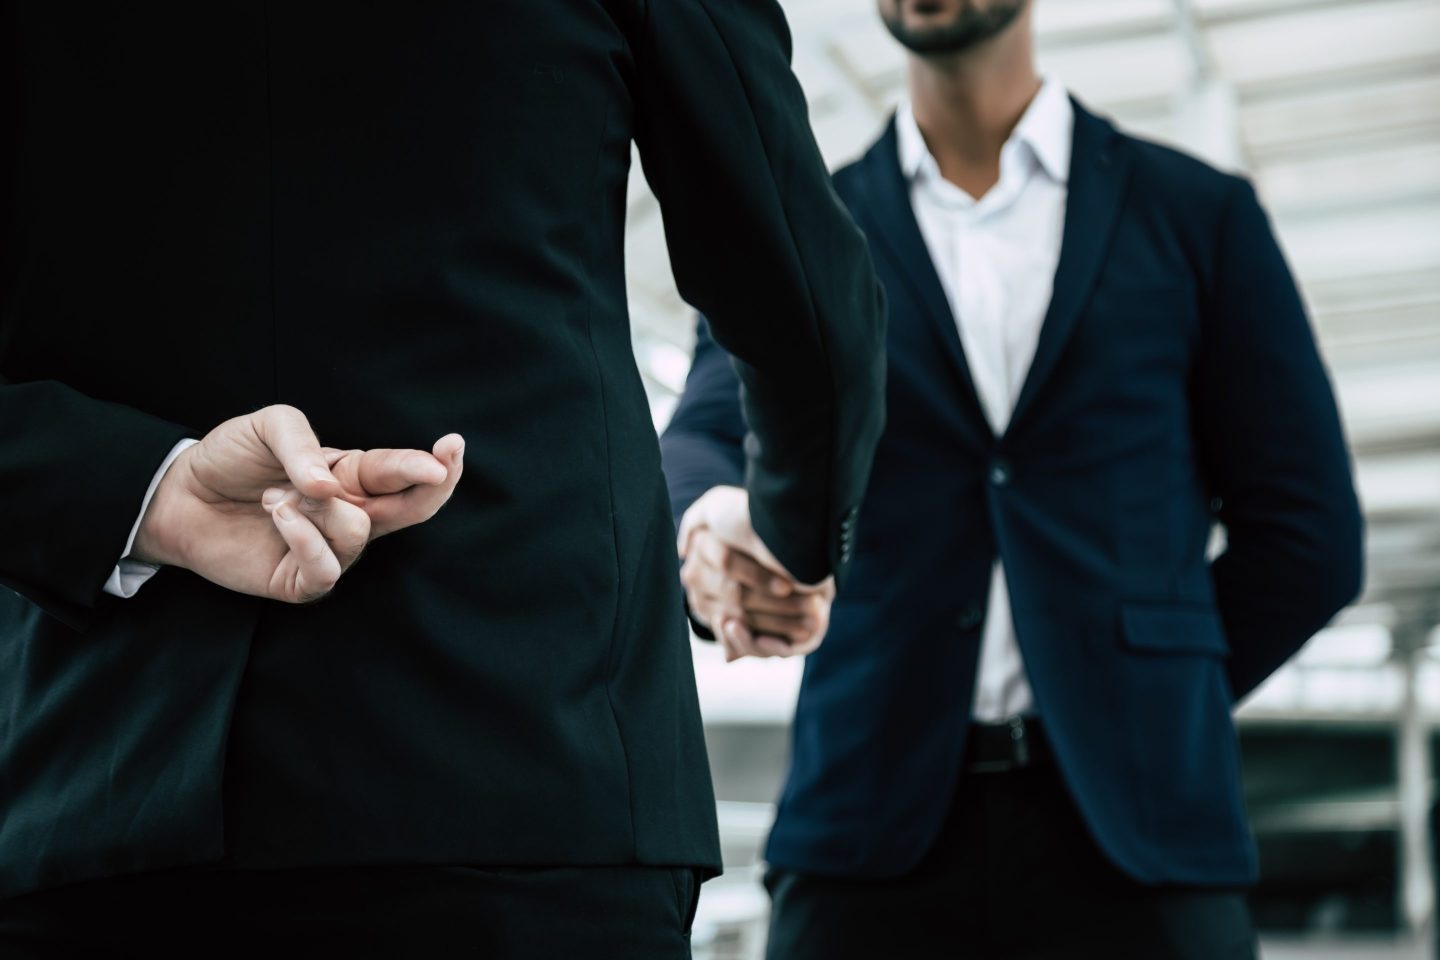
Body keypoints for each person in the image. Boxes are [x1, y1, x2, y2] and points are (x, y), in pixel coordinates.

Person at [0, 1, 886, 956]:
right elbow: (803, 293)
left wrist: (150, 493)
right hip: (527, 777)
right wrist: (790, 542)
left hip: (95, 790)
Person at [661, 1, 1364, 957]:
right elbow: (701, 432)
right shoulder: (808, 224)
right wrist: (707, 529)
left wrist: (1147, 691)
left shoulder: (1200, 218)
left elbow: (1310, 539)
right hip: (869, 837)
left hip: (1142, 846)